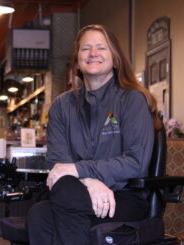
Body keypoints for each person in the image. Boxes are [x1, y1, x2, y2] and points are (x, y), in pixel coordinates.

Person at [26, 24, 161, 245]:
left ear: (115, 58)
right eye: (85, 48)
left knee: (45, 212)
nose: (93, 54)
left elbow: (136, 163)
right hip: (75, 191)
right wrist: (89, 181)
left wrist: (80, 170)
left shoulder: (132, 100)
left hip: (123, 196)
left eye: (101, 48)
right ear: (78, 60)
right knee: (41, 213)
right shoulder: (61, 106)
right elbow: (59, 164)